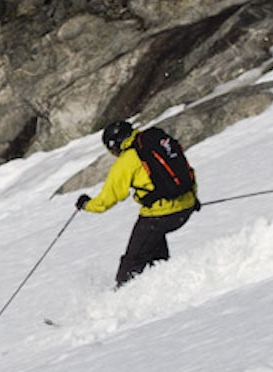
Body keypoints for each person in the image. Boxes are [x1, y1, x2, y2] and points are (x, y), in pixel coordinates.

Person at [75, 120, 199, 287]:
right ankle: (164, 282)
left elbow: (106, 200)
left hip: (161, 215)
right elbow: (183, 169)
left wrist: (86, 204)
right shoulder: (154, 142)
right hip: (186, 207)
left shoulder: (128, 159)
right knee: (152, 245)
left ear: (115, 145)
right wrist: (192, 198)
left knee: (132, 261)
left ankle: (122, 297)